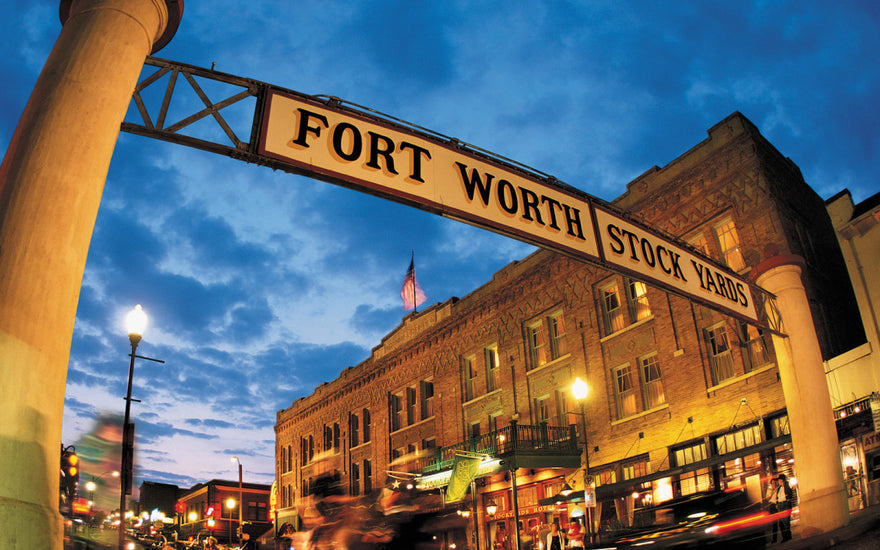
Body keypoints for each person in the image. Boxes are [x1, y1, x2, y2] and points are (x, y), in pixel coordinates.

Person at [777, 474, 794, 542]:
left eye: (779, 480)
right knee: (781, 522)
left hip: (785, 504)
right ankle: (784, 536)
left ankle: (788, 536)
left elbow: (789, 495)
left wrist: (786, 497)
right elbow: (778, 497)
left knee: (786, 521)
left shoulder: (787, 486)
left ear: (782, 480)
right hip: (780, 505)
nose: (778, 482)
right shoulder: (779, 488)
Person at [765, 476, 782, 543]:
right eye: (773, 483)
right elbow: (767, 498)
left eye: (775, 483)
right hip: (772, 506)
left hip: (777, 504)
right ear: (771, 484)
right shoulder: (769, 490)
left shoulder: (778, 489)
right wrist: (772, 491)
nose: (774, 484)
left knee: (780, 522)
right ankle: (774, 539)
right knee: (774, 523)